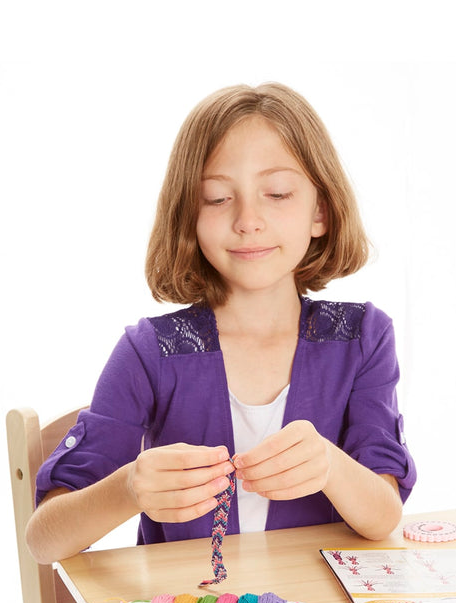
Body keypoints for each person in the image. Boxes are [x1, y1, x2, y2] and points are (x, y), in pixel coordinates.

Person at [25, 82, 416, 565]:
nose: (248, 220)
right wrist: (128, 489)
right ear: (188, 216)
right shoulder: (150, 352)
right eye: (215, 198)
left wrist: (331, 466)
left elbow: (382, 517)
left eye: (276, 193)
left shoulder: (363, 339)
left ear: (321, 211)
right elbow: (44, 539)